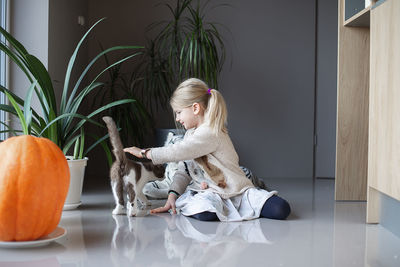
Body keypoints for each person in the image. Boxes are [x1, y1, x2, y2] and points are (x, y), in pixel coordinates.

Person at [123, 78, 291, 222]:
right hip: (211, 194)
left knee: (280, 209)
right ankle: (220, 209)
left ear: (195, 108)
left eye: (179, 112)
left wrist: (145, 153)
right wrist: (172, 196)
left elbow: (179, 151)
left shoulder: (210, 132)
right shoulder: (190, 135)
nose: (177, 119)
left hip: (236, 191)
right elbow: (183, 170)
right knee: (205, 212)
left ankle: (246, 200)